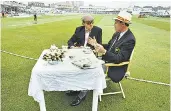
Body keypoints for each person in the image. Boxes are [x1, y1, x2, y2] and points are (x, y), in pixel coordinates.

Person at [88, 11, 136, 83]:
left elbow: (119, 59)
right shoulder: (117, 33)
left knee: (89, 69)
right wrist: (95, 44)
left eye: (116, 22)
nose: (114, 25)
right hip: (107, 60)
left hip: (115, 66)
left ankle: (84, 89)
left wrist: (104, 51)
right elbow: (109, 46)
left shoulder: (130, 39)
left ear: (123, 24)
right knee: (88, 63)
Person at [66, 15, 102, 106]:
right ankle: (76, 89)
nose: (91, 24)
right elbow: (70, 41)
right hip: (78, 54)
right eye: (88, 23)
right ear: (83, 23)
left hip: (91, 55)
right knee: (74, 69)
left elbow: (99, 45)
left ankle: (82, 95)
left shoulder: (98, 30)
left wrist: (94, 45)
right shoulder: (79, 29)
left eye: (92, 22)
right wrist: (73, 47)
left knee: (86, 72)